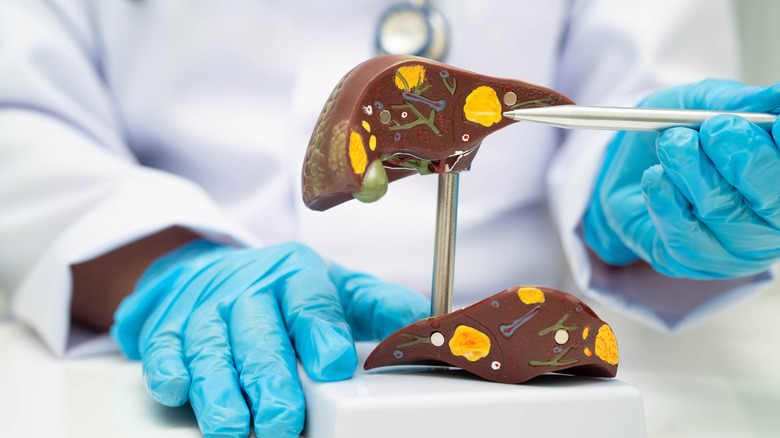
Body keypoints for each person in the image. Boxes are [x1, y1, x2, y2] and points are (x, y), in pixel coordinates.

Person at [0, 0, 777, 437]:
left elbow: (641, 82)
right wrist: (157, 260)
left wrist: (643, 189)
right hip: (155, 354)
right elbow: (16, 112)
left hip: (543, 369)